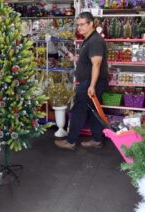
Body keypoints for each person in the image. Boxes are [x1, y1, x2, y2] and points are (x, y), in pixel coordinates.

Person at [54, 12, 108, 150]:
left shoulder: (95, 40)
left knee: (78, 110)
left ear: (91, 24)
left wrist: (92, 86)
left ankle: (71, 141)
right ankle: (97, 139)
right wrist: (75, 58)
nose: (79, 27)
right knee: (92, 111)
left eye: (83, 24)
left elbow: (96, 64)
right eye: (78, 25)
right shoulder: (88, 39)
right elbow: (88, 62)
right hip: (89, 81)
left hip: (90, 82)